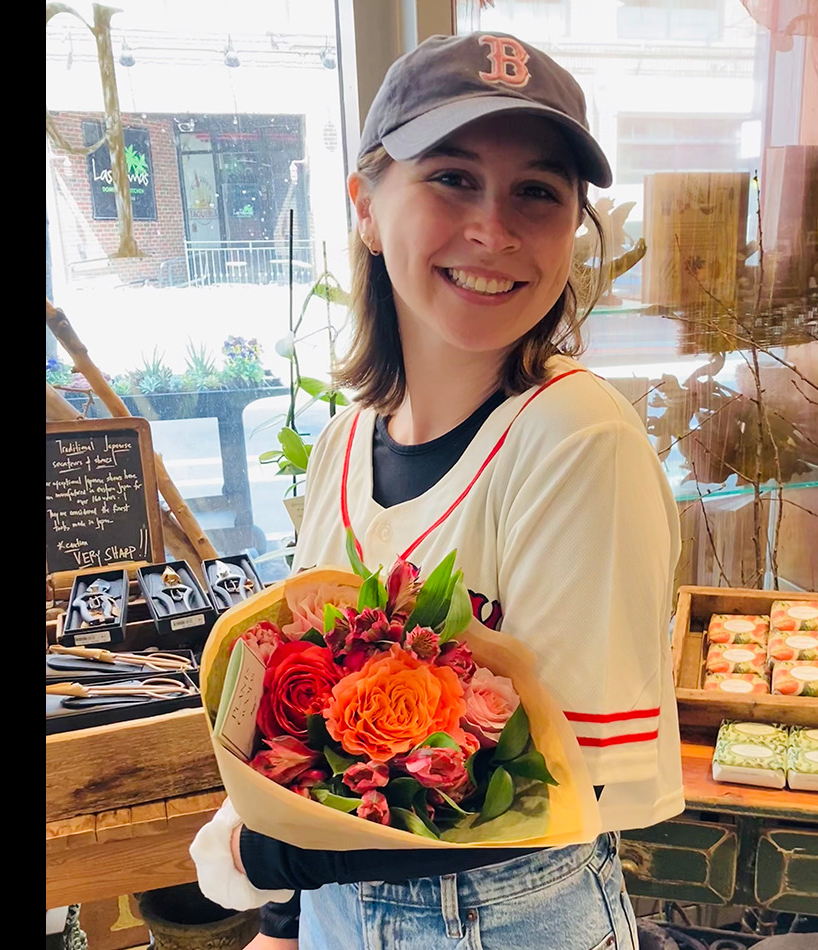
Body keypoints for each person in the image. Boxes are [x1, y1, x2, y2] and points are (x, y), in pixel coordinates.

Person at [190, 30, 684, 950]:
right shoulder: (343, 444)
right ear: (367, 209)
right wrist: (293, 921)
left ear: (574, 230)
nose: (494, 230)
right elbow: (305, 738)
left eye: (537, 192)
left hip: (508, 922)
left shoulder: (578, 441)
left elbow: (555, 790)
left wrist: (268, 862)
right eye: (452, 177)